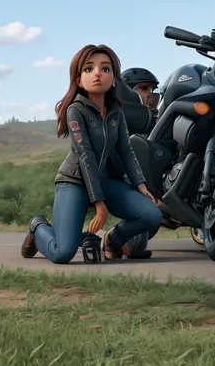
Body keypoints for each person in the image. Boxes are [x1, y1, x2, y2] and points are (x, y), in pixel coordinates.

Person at [20, 44, 163, 264]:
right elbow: (85, 155)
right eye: (89, 69)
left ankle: (113, 240)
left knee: (152, 214)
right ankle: (37, 227)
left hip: (104, 181)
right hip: (74, 182)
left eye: (105, 69)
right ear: (78, 80)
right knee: (62, 252)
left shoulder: (117, 112)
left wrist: (141, 186)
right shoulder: (75, 110)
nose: (98, 73)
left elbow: (126, 151)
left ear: (114, 79)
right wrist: (100, 204)